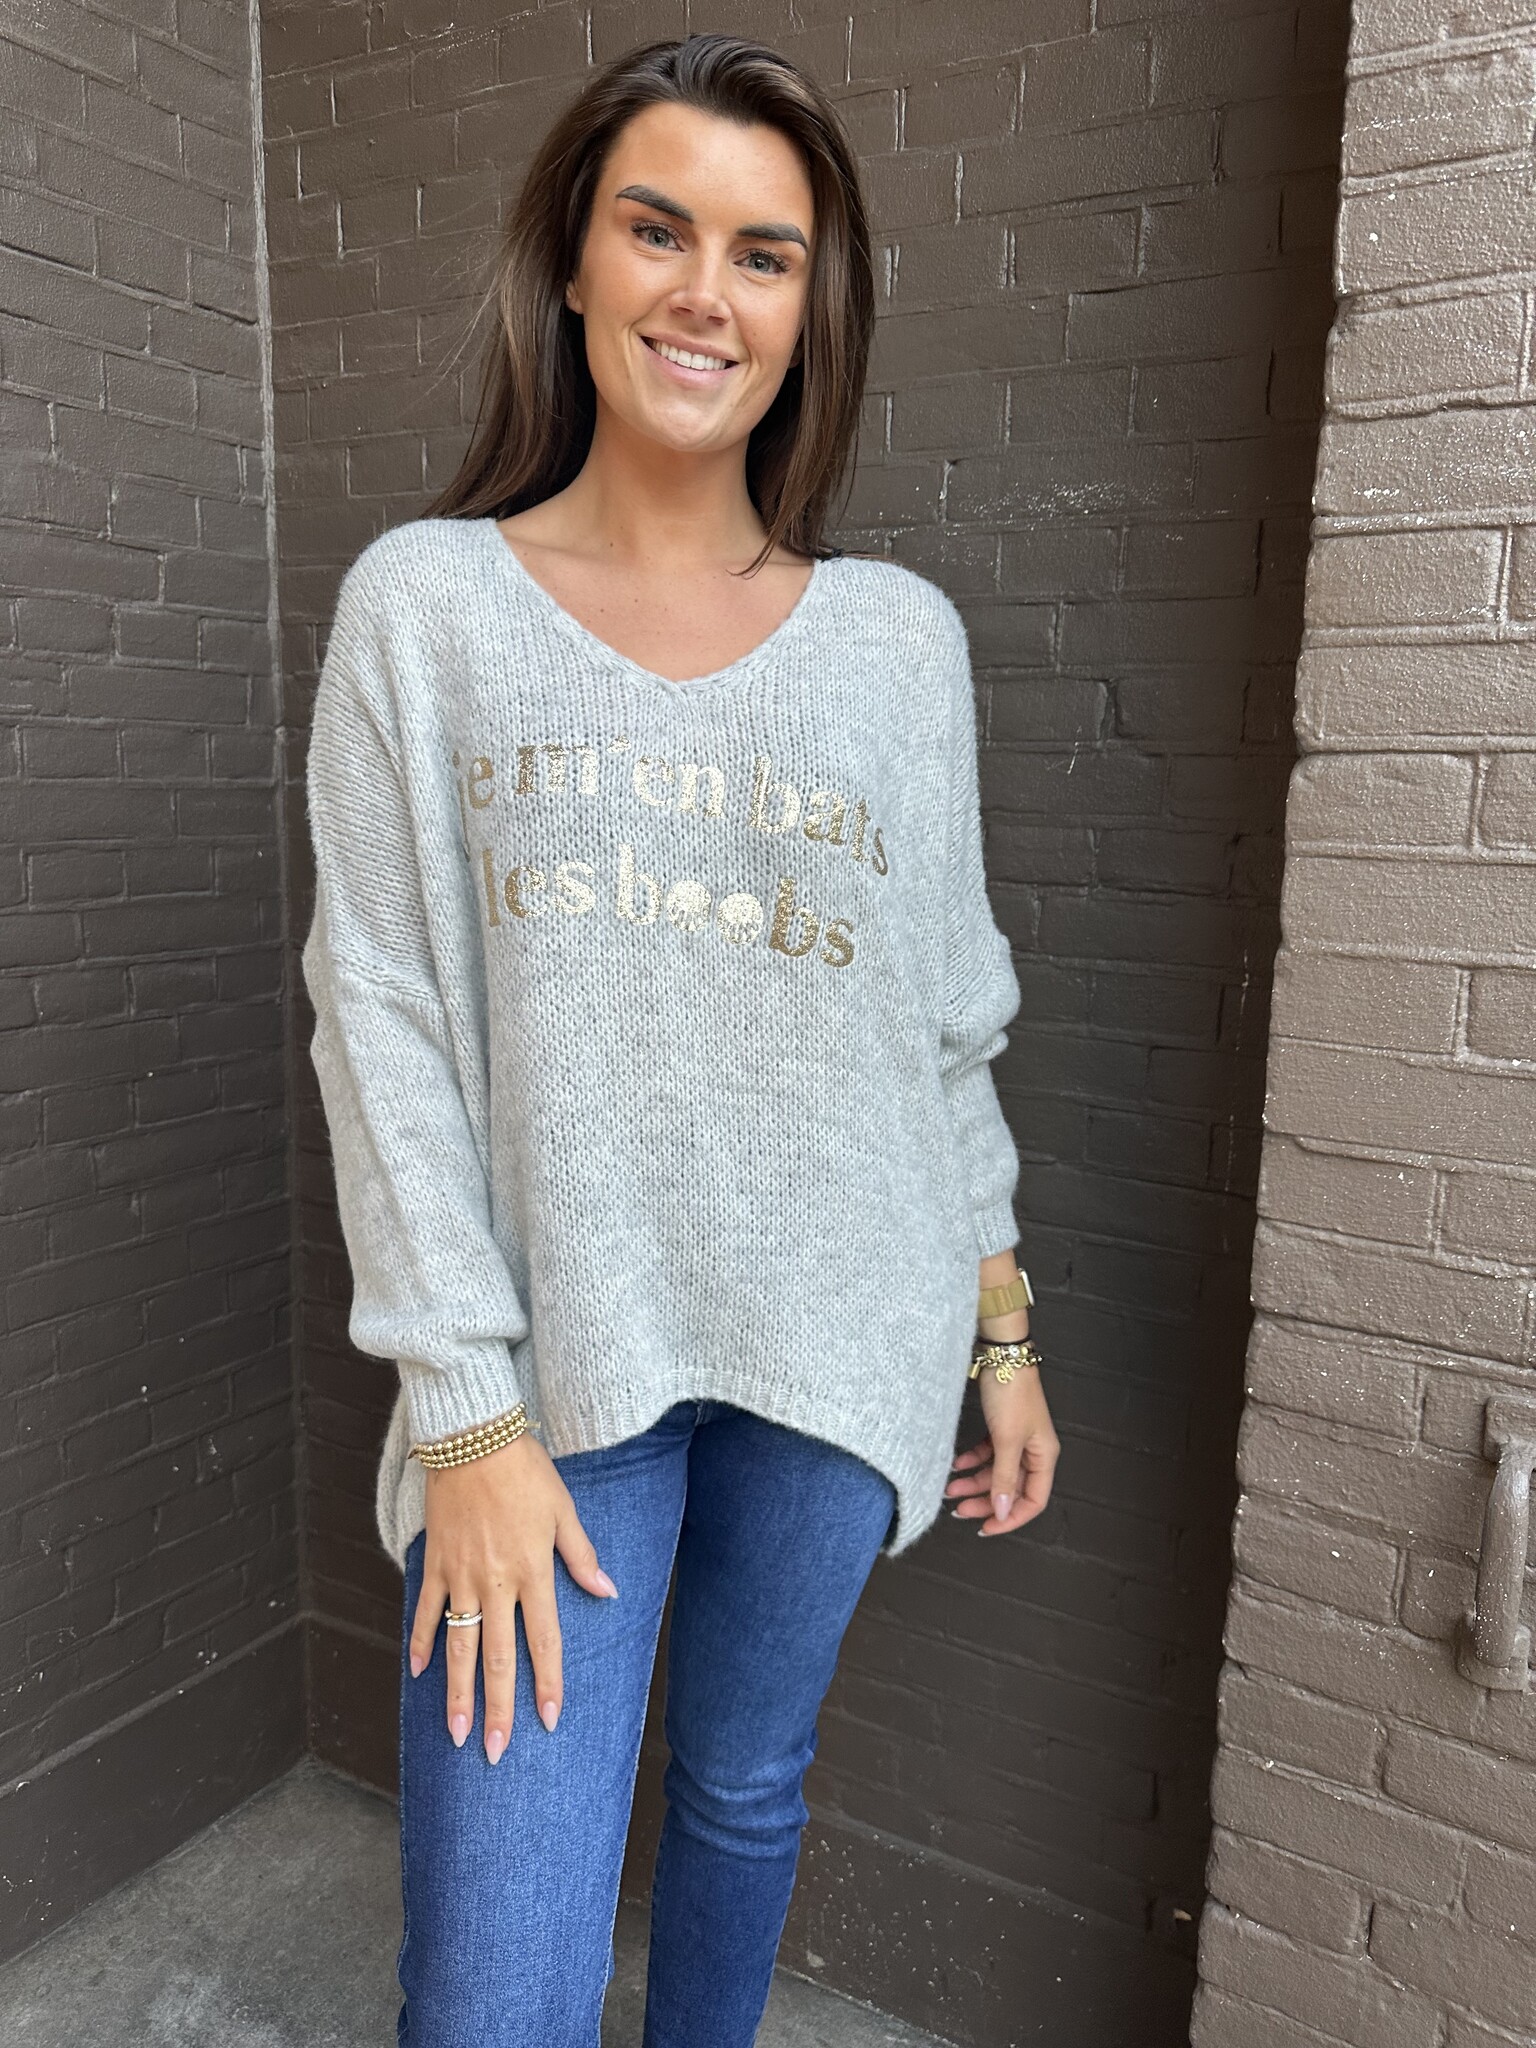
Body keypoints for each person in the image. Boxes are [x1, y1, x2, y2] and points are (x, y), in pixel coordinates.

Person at [300, 31, 1060, 2048]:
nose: (705, 294)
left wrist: (998, 1329)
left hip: (843, 1340)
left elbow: (948, 1021)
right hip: (554, 1375)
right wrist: (465, 1419)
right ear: (573, 262)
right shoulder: (424, 612)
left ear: (808, 310)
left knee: (742, 1790)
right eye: (658, 231)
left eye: (763, 254)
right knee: (498, 1988)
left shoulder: (898, 644)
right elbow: (377, 1015)